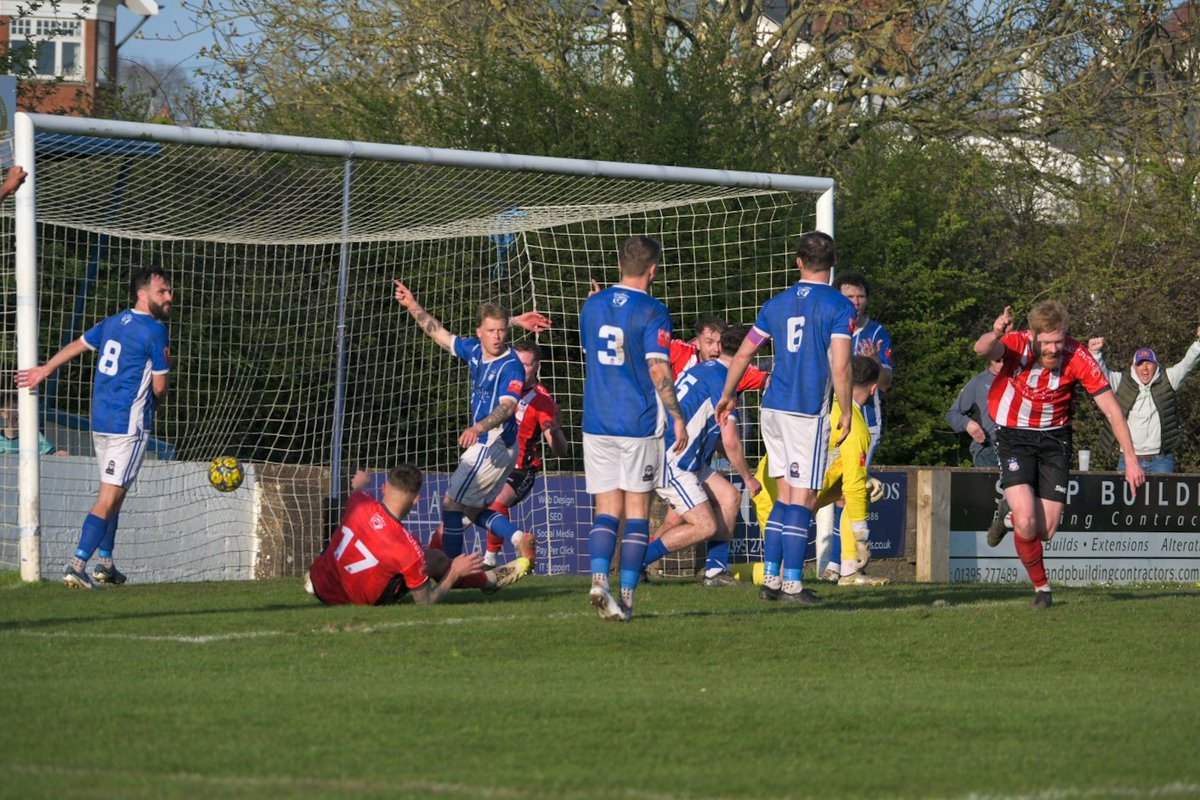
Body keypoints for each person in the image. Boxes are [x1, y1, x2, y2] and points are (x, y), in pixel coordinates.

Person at [975, 302, 1145, 609]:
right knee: (1026, 522)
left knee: (1046, 531)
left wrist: (1130, 457)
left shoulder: (1077, 355)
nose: (1053, 349)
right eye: (1047, 342)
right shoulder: (1019, 344)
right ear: (1035, 335)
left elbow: (1111, 409)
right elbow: (983, 348)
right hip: (1014, 435)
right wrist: (998, 331)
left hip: (1055, 438)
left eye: (1058, 341)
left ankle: (1006, 511)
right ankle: (1042, 589)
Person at [717, 230, 856, 604]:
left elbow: (744, 353)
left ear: (798, 262)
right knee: (803, 498)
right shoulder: (840, 306)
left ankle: (772, 579)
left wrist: (728, 394)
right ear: (832, 264)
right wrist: (844, 410)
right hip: (806, 410)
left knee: (783, 497)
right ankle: (793, 584)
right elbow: (841, 366)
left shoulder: (776, 303)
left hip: (772, 407)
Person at [15, 265, 173, 588]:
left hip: (100, 422)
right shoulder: (155, 330)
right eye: (163, 292)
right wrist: (151, 407)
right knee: (108, 497)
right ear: (143, 295)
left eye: (169, 291)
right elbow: (159, 386)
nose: (170, 297)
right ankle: (77, 564)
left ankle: (106, 563)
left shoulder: (113, 322)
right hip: (127, 426)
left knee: (116, 494)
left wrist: (45, 369)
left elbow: (79, 344)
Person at [579, 234, 688, 622]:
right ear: (653, 268)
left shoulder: (591, 306)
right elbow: (658, 367)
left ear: (619, 264)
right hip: (637, 421)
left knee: (606, 509)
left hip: (596, 420)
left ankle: (597, 578)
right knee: (638, 512)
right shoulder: (653, 310)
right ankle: (625, 597)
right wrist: (677, 415)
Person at [393, 282, 538, 569]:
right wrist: (412, 305)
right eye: (492, 331)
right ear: (479, 332)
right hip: (493, 446)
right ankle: (518, 537)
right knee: (472, 511)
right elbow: (440, 334)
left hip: (493, 444)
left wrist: (478, 428)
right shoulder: (473, 350)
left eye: (502, 331)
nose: (498, 337)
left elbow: (508, 407)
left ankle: (451, 568)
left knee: (450, 505)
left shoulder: (511, 366)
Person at [641, 325, 762, 586]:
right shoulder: (723, 383)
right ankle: (636, 560)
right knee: (704, 525)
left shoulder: (704, 369)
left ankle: (715, 571)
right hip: (672, 460)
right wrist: (748, 476)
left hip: (682, 456)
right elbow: (730, 441)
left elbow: (711, 432)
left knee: (729, 496)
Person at [307, 464, 527, 605]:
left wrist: (361, 482)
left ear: (384, 488)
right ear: (416, 500)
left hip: (319, 585)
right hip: (352, 601)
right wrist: (455, 572)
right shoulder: (408, 548)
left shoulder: (360, 501)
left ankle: (310, 578)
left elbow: (357, 489)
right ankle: (488, 581)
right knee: (436, 559)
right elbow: (426, 602)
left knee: (343, 531)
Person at [480, 338, 568, 568]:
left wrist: (556, 433)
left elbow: (560, 450)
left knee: (497, 501)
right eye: (517, 363)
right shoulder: (503, 385)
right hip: (491, 462)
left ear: (537, 366)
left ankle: (491, 561)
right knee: (456, 508)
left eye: (527, 365)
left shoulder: (542, 400)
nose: (520, 369)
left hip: (521, 470)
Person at [1087, 326, 1200, 473]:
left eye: (1148, 363)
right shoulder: (1121, 381)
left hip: (1162, 460)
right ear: (1134, 366)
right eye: (1140, 364)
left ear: (1156, 365)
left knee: (1162, 497)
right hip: (1129, 458)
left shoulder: (1169, 379)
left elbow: (1187, 364)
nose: (1145, 368)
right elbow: (1101, 374)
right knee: (1127, 496)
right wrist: (1095, 353)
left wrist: (1198, 342)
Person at [946, 358, 1004, 468]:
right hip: (988, 450)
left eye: (1008, 360)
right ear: (990, 358)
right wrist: (967, 423)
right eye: (998, 361)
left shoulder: (1020, 380)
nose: (1003, 364)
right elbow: (952, 414)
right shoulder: (978, 382)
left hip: (1018, 451)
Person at [0, 396, 68, 456]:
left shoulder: (33, 435)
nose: (19, 412)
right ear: (3, 414)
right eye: (15, 408)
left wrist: (58, 454)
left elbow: (50, 453)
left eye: (22, 408)